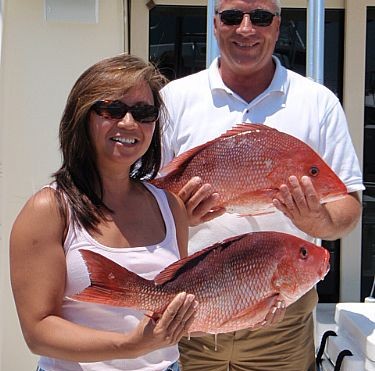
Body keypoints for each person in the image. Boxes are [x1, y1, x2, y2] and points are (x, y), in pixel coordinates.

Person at [160, 0, 364, 370]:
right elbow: (148, 199)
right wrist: (179, 214)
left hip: (281, 313)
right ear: (216, 23)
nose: (246, 29)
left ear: (278, 25)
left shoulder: (318, 103)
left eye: (261, 17)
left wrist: (316, 220)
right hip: (193, 305)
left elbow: (348, 206)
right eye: (233, 17)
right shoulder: (174, 99)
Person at [9, 53, 199, 371]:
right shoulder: (49, 210)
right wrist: (131, 346)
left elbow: (176, 308)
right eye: (112, 109)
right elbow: (38, 331)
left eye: (144, 112)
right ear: (82, 116)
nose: (129, 123)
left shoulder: (170, 206)